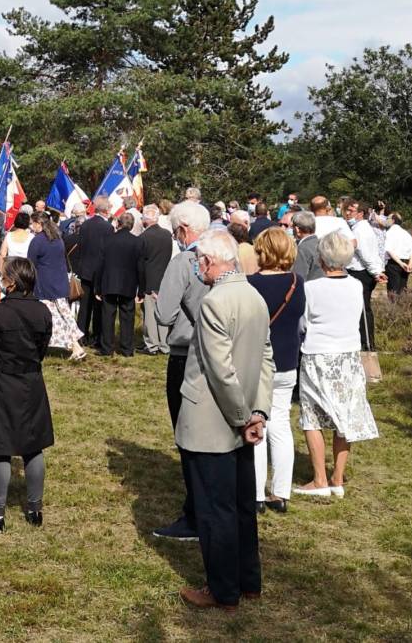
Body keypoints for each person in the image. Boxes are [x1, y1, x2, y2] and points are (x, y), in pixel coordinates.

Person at [175, 229, 272, 612]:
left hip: (213, 423)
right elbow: (266, 359)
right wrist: (258, 412)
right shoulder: (255, 296)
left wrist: (245, 417)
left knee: (216, 511)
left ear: (211, 262)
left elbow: (220, 370)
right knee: (242, 506)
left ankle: (222, 590)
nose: (198, 267)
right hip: (242, 417)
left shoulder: (214, 302)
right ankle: (249, 581)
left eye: (200, 261)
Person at [0, 256, 54, 532]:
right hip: (30, 381)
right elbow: (42, 348)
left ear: (12, 282)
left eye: (3, 276)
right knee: (33, 445)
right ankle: (34, 507)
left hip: (1, 382)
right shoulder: (43, 311)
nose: (0, 279)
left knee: (0, 446)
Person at [293, 234, 379, 498]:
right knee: (345, 416)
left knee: (312, 416)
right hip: (348, 355)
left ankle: (320, 479)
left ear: (321, 258)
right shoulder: (356, 286)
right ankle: (337, 476)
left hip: (318, 354)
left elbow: (302, 324)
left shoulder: (311, 289)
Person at [151, 199, 213, 541]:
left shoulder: (184, 262)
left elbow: (163, 314)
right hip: (223, 356)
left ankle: (193, 515)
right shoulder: (227, 252)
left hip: (185, 354)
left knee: (188, 437)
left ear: (183, 230)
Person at [247, 228, 304, 514]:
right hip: (287, 360)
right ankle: (280, 492)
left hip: (259, 362)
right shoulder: (297, 282)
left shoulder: (250, 284)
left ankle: (256, 492)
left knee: (256, 424)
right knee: (280, 424)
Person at [27, 212, 84, 360]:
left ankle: (73, 346)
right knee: (66, 314)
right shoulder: (58, 238)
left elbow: (30, 263)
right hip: (60, 281)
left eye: (33, 223)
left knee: (55, 318)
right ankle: (76, 344)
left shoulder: (37, 241)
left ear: (38, 224)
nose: (31, 226)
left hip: (45, 284)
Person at [96, 213, 141, 357]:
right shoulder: (137, 242)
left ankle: (106, 348)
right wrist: (142, 289)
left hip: (109, 282)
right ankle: (127, 348)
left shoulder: (107, 240)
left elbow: (100, 265)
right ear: (132, 225)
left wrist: (98, 286)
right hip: (128, 283)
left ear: (119, 223)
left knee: (108, 315)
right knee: (127, 315)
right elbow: (141, 267)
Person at [138, 204, 177, 356]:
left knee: (150, 315)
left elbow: (141, 264)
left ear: (146, 220)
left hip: (149, 279)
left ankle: (152, 344)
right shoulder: (167, 234)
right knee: (163, 313)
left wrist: (140, 286)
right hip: (165, 278)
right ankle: (164, 343)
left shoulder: (144, 237)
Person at [346, 201, 385, 352]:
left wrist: (376, 272)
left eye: (352, 210)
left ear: (361, 213)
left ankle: (368, 344)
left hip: (361, 272)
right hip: (359, 271)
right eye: (347, 210)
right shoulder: (357, 228)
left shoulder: (361, 230)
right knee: (358, 308)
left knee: (363, 309)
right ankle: (362, 342)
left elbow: (366, 254)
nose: (348, 213)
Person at [75, 197, 113, 347]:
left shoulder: (85, 225)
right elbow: (109, 251)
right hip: (100, 271)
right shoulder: (107, 228)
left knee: (84, 306)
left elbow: (80, 247)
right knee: (98, 306)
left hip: (85, 269)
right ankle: (97, 337)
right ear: (106, 210)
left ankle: (81, 335)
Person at [382, 212, 412, 300]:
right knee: (402, 290)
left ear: (393, 220)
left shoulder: (389, 233)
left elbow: (389, 250)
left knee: (393, 291)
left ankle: (394, 312)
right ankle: (403, 310)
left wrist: (400, 263)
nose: (386, 220)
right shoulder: (406, 233)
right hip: (406, 264)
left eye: (388, 219)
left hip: (393, 263)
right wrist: (410, 264)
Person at [0, 212, 34, 277]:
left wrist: (1, 270)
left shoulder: (9, 235)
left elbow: (2, 254)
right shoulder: (31, 237)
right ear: (27, 223)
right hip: (25, 269)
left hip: (11, 268)